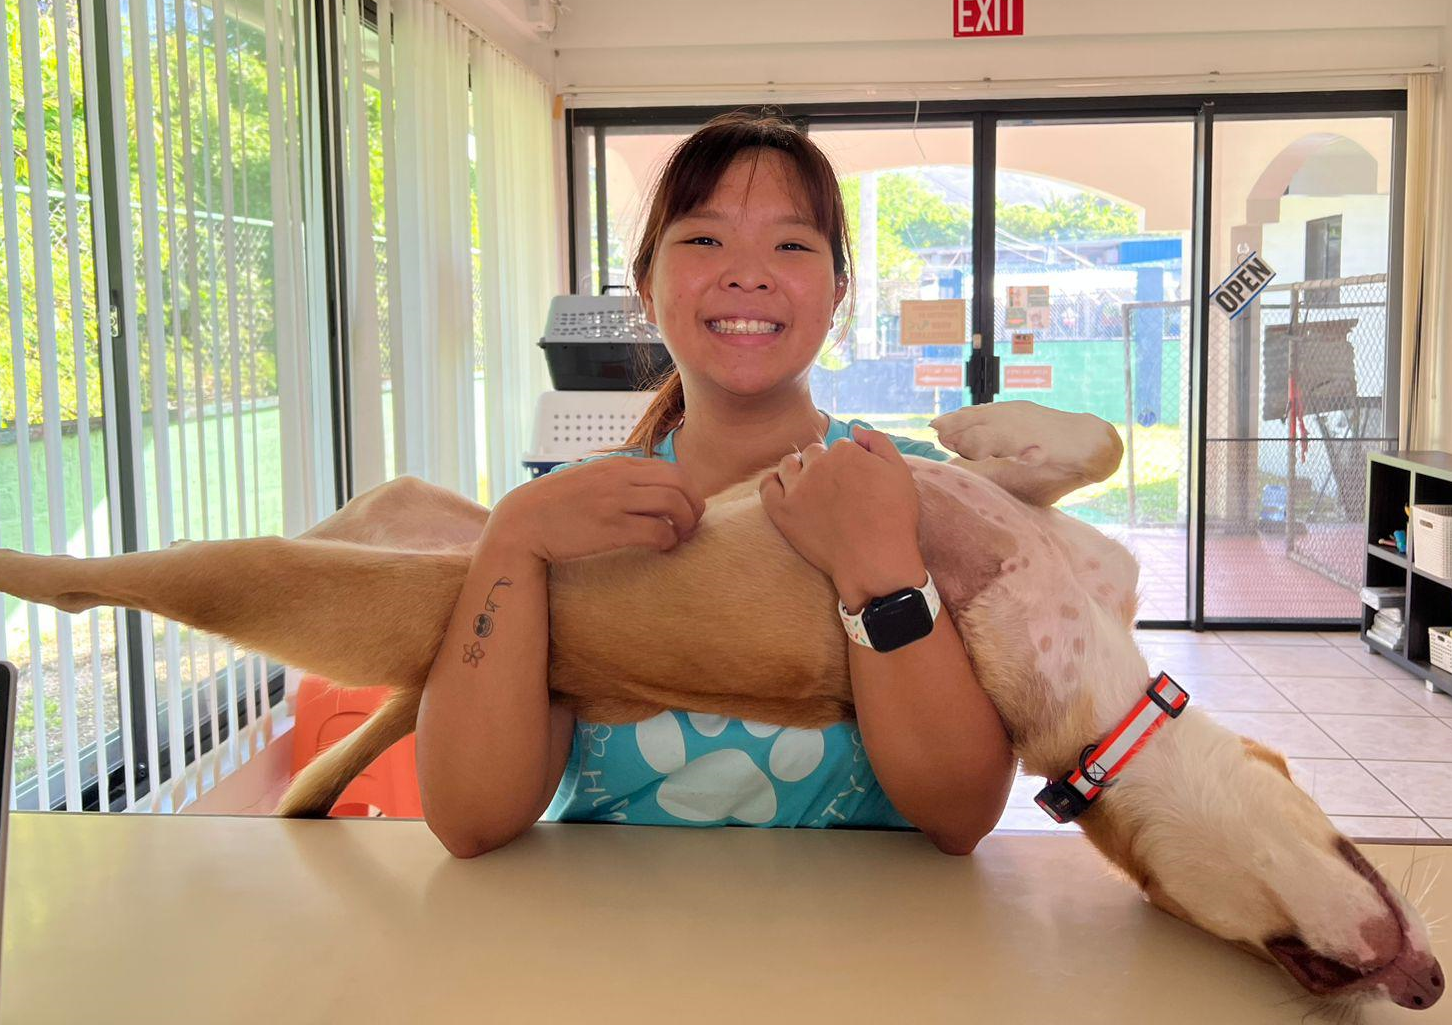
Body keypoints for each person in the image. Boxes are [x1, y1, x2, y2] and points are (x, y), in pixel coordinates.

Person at [416, 111, 1015, 858]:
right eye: (704, 239)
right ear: (646, 287)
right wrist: (511, 540)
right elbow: (470, 819)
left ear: (837, 293)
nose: (747, 272)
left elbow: (961, 814)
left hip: (868, 927)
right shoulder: (571, 515)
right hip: (607, 925)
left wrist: (880, 565)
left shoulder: (915, 489)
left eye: (791, 245)